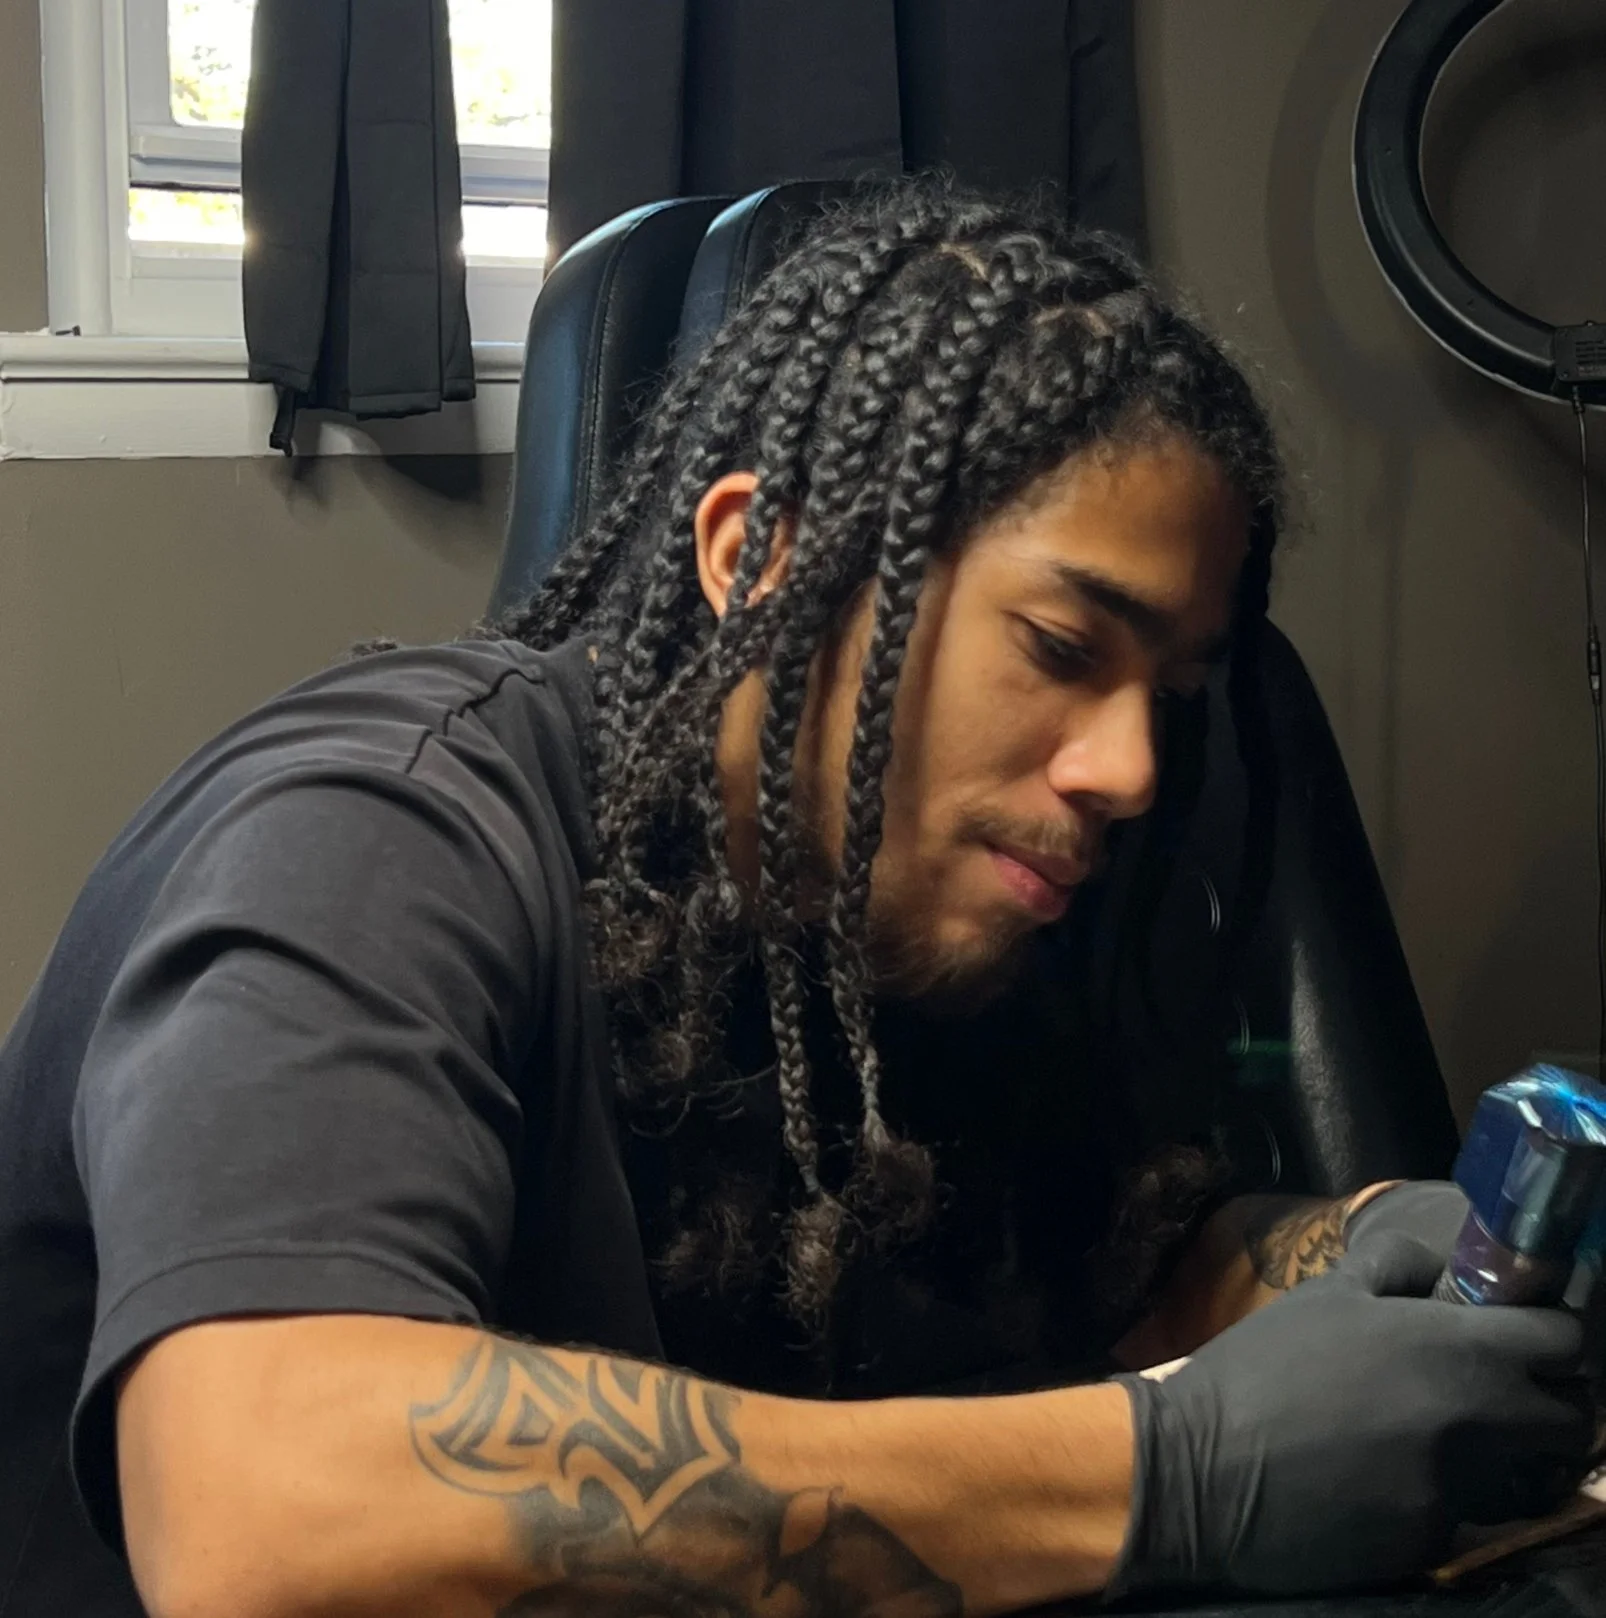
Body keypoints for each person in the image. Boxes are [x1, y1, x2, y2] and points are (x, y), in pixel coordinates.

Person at [0, 180, 1592, 1618]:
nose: (1127, 768)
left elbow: (1106, 1269)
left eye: (1166, 695)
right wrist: (1165, 1471)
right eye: (1057, 648)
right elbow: (258, 1519)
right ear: (757, 556)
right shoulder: (377, 831)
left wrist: (1382, 1249)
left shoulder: (902, 927)